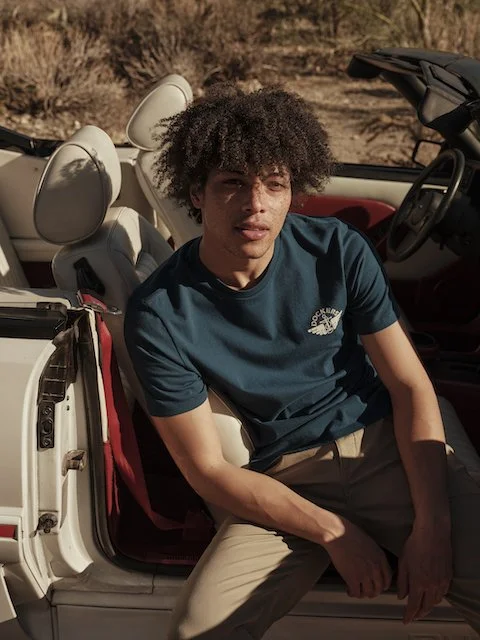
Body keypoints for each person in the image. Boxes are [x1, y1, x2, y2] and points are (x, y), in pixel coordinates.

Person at [124, 84, 480, 639]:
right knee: (196, 630)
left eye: (274, 183)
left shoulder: (337, 249)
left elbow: (410, 386)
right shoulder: (158, 313)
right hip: (285, 482)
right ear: (196, 191)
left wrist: (433, 528)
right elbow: (208, 470)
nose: (256, 205)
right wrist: (335, 532)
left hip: (384, 443)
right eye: (232, 183)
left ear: (293, 190)